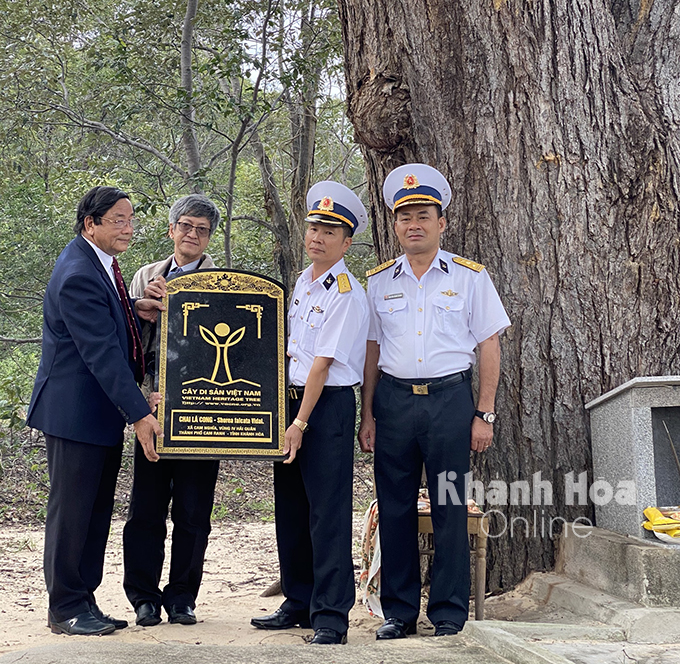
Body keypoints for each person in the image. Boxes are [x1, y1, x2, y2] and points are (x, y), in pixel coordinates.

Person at [358, 163, 510, 639]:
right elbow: (372, 352)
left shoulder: (470, 277)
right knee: (395, 506)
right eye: (405, 217)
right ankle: (399, 613)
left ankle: (447, 612)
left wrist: (483, 412)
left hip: (449, 401)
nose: (414, 224)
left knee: (449, 506)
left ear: (441, 223)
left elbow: (489, 345)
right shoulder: (379, 281)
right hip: (395, 403)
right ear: (396, 225)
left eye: (424, 214)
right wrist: (368, 412)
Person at [26, 186, 163, 637]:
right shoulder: (78, 273)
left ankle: (83, 599)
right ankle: (64, 607)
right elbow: (101, 353)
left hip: (98, 414)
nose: (128, 228)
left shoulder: (98, 262)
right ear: (91, 224)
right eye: (118, 220)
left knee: (95, 510)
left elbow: (110, 321)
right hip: (75, 413)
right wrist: (142, 413)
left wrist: (136, 310)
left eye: (130, 219)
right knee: (73, 512)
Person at [250, 181, 370, 645]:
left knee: (327, 513)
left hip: (326, 408)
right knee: (292, 508)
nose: (318, 236)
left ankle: (330, 616)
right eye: (314, 226)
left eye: (330, 230)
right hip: (293, 401)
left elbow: (322, 364)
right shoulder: (302, 281)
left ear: (347, 242)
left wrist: (300, 423)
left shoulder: (344, 291)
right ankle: (298, 600)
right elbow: (289, 352)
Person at [123, 195, 221, 628]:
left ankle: (182, 597)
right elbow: (123, 342)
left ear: (209, 237)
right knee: (145, 510)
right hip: (155, 410)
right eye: (185, 226)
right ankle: (143, 597)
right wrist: (143, 310)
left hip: (206, 411)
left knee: (194, 512)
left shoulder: (224, 281)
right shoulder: (146, 274)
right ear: (171, 230)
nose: (192, 235)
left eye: (201, 229)